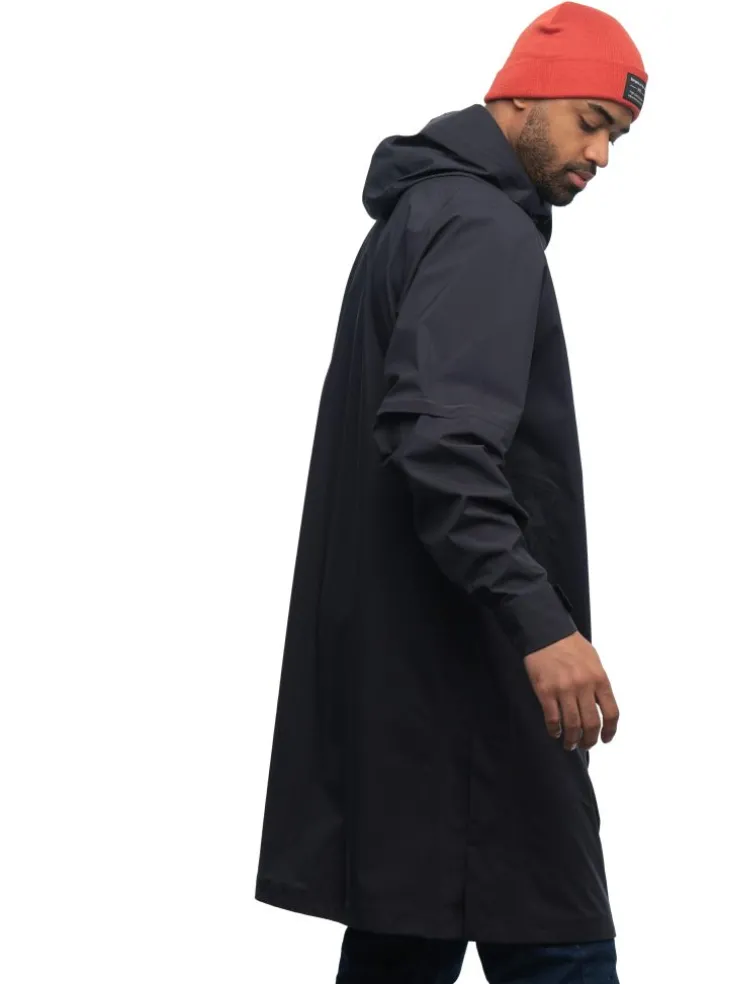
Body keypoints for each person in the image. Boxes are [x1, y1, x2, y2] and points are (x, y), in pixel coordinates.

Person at [254, 3, 647, 980]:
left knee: (406, 928)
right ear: (523, 95)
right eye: (592, 120)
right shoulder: (481, 228)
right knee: (556, 936)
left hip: (410, 705)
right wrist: (543, 625)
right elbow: (443, 443)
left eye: (617, 136)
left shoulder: (422, 216)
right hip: (483, 693)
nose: (601, 155)